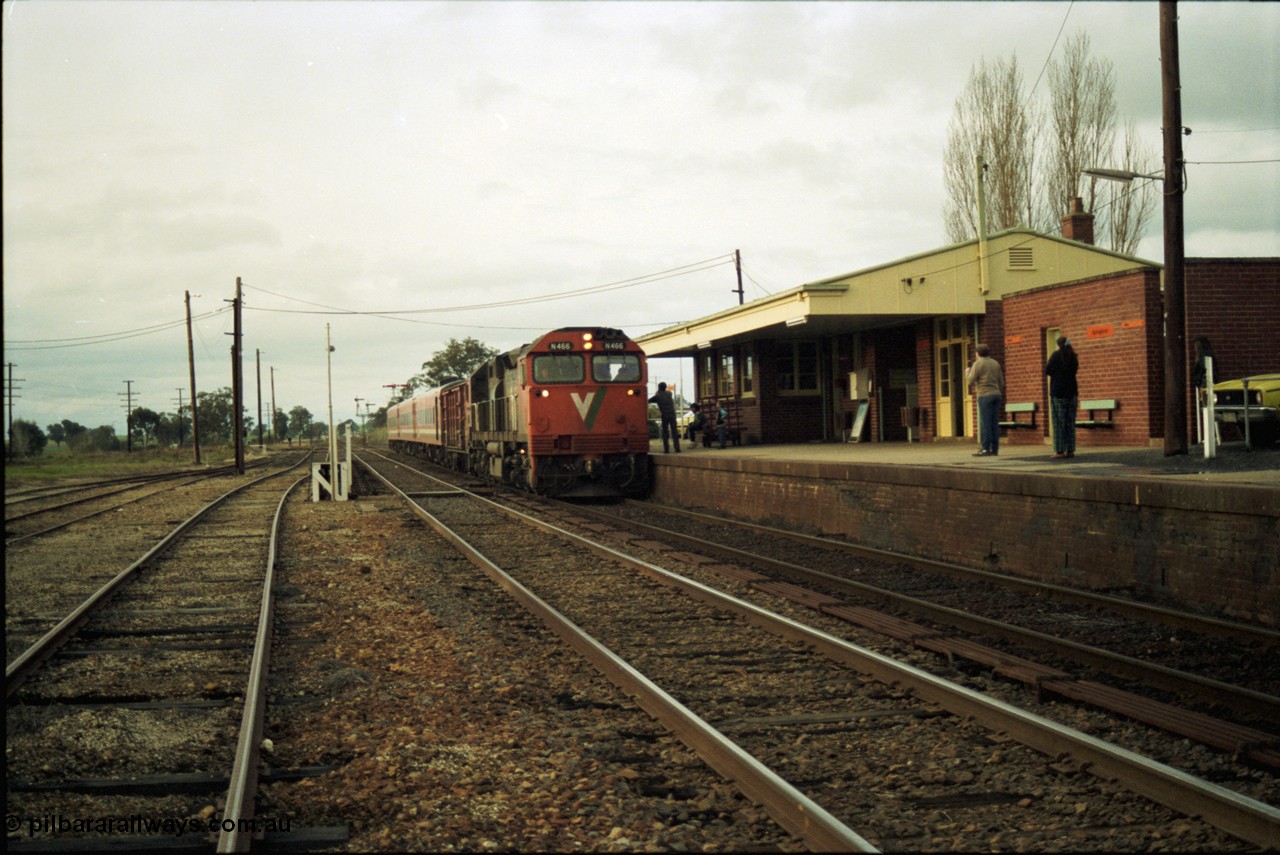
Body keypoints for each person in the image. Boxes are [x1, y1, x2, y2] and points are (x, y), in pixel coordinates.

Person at [965, 344, 1004, 456]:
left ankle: (985, 448)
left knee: (985, 422)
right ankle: (995, 448)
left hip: (984, 395)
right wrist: (997, 390)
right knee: (994, 422)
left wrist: (967, 372)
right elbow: (1001, 382)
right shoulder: (995, 363)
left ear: (978, 353)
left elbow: (970, 381)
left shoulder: (978, 363)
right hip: (996, 394)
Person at [1044, 335, 1080, 459]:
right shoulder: (1073, 357)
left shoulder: (1056, 355)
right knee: (1070, 422)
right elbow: (1075, 371)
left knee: (1059, 422)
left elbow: (1047, 370)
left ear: (1058, 345)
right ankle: (1070, 450)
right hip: (1072, 392)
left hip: (1058, 392)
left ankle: (1059, 451)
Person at [648, 382, 680, 453]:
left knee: (665, 432)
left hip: (665, 415)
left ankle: (666, 449)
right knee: (674, 431)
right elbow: (667, 393)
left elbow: (648, 401)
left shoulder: (657, 396)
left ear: (659, 388)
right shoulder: (669, 393)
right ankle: (677, 448)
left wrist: (658, 392)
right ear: (665, 387)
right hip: (672, 414)